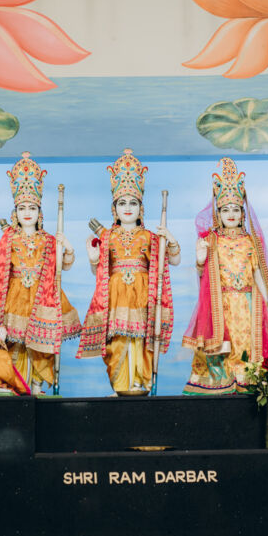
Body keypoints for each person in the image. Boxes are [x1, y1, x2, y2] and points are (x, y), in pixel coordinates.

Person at [77, 148, 180, 395]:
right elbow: (99, 272)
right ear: (114, 208)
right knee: (117, 340)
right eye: (122, 203)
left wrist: (171, 240)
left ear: (140, 208)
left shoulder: (150, 236)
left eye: (133, 203)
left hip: (142, 294)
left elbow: (174, 261)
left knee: (141, 339)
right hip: (115, 295)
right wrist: (93, 259)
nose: (127, 208)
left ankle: (140, 382)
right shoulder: (107, 236)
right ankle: (120, 385)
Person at [183, 157, 268, 395]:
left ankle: (248, 380)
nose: (231, 213)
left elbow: (257, 272)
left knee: (247, 346)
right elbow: (205, 276)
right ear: (218, 212)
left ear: (242, 213)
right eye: (225, 209)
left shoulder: (250, 241)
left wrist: (265, 301)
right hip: (223, 304)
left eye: (236, 209)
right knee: (226, 348)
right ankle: (224, 382)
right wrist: (200, 260)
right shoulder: (211, 240)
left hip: (248, 303)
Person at [0, 152, 81, 394]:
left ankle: (37, 385)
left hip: (43, 294)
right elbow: (0, 272)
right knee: (14, 344)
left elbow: (63, 266)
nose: (27, 212)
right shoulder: (8, 238)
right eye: (22, 208)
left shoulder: (49, 240)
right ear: (15, 213)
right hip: (15, 296)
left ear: (39, 212)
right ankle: (15, 383)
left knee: (41, 344)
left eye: (32, 207)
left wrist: (68, 248)